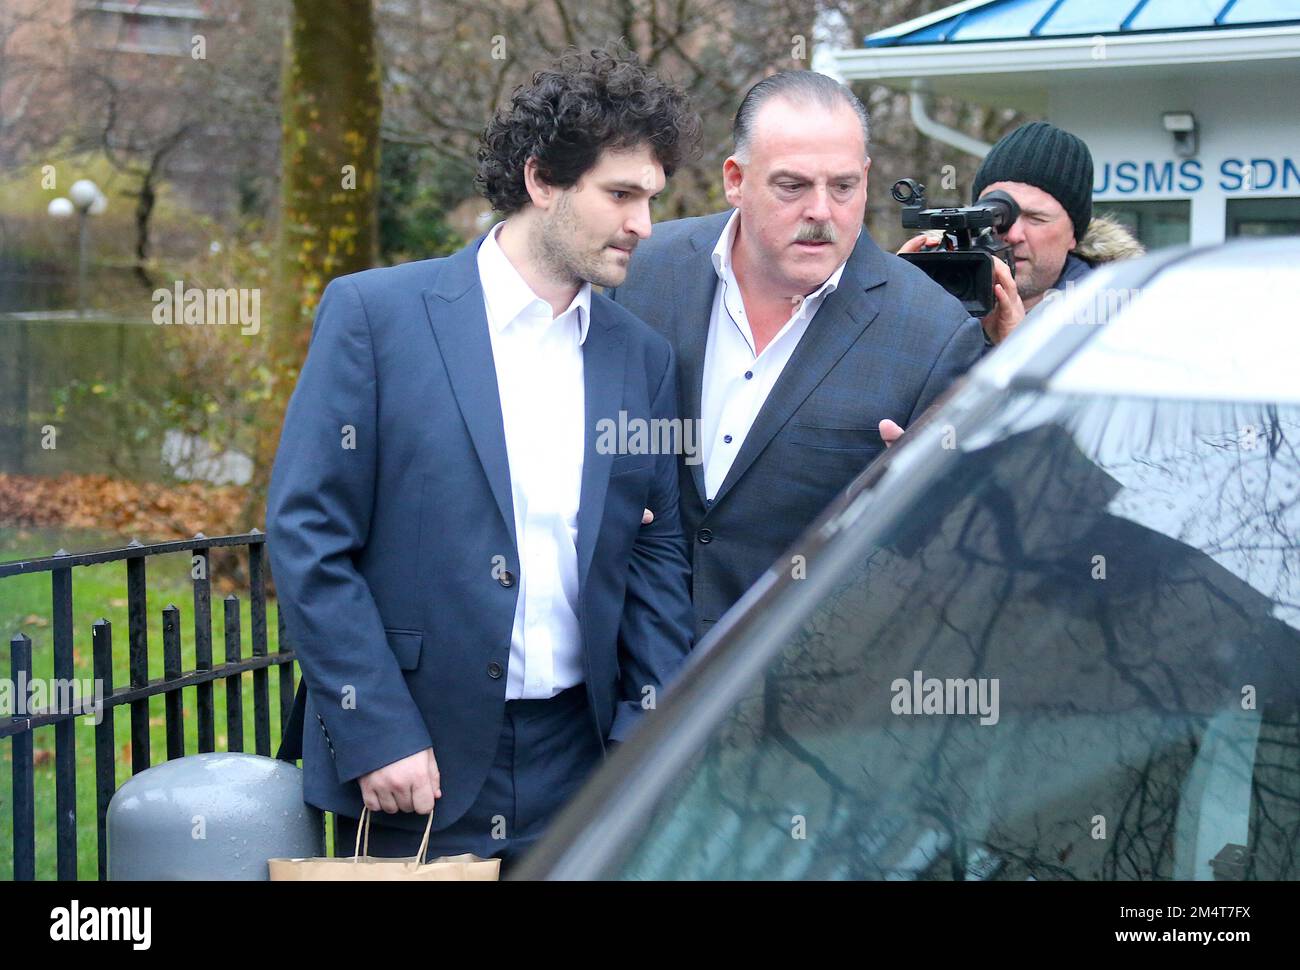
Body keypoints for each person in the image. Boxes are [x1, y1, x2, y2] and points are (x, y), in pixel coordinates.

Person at [267, 43, 698, 871]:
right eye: (620, 195)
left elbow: (655, 551)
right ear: (542, 181)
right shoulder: (375, 316)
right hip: (415, 764)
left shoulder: (641, 357)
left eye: (651, 198)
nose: (644, 224)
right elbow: (306, 536)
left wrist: (646, 737)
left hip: (586, 765)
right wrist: (376, 729)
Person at [606, 70, 985, 639]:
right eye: (792, 185)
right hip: (626, 687)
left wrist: (922, 512)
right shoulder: (638, 273)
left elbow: (954, 560)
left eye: (843, 186)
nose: (822, 211)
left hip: (804, 695)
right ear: (736, 180)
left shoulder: (934, 335)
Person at [901, 121, 1145, 347]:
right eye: (996, 215)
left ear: (1074, 235)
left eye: (1036, 218)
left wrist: (1015, 347)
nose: (1013, 234)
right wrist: (897, 301)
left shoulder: (1123, 316)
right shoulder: (937, 302)